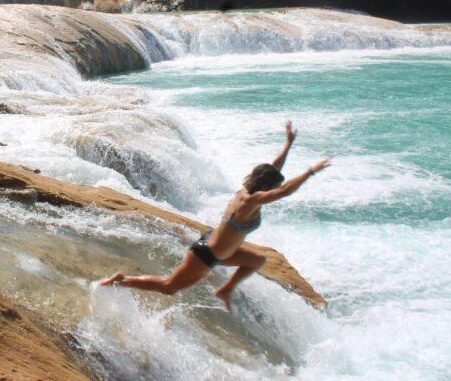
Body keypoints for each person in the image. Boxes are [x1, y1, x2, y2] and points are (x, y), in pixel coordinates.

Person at [99, 122, 331, 312]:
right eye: (273, 186)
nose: (275, 188)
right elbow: (284, 190)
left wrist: (288, 144)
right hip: (207, 254)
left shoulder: (248, 190)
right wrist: (311, 171)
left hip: (222, 250)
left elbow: (273, 170)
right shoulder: (250, 201)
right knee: (169, 286)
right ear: (266, 187)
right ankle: (121, 280)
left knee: (257, 260)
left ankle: (225, 290)